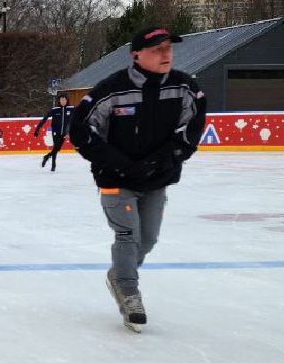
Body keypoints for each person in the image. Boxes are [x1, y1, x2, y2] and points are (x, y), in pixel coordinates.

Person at [70, 26, 207, 332]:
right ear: (136, 55)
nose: (166, 55)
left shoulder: (185, 88)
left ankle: (119, 274)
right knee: (127, 236)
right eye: (157, 49)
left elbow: (191, 132)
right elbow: (82, 131)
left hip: (157, 179)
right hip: (115, 178)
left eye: (168, 48)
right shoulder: (112, 89)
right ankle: (130, 294)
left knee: (148, 239)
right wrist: (119, 164)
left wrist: (160, 162)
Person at [34, 93, 73, 171]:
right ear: (59, 101)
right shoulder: (55, 110)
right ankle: (53, 165)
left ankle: (47, 156)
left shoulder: (71, 108)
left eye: (64, 100)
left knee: (57, 148)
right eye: (61, 100)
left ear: (67, 100)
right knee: (56, 147)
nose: (63, 101)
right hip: (55, 132)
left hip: (64, 133)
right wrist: (38, 128)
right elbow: (45, 118)